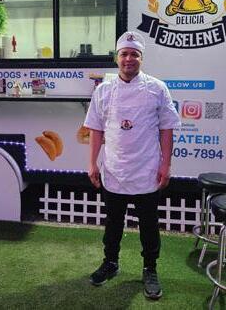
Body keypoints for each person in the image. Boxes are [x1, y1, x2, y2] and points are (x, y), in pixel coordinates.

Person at [84, 31, 180, 300]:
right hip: (114, 170)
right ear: (117, 58)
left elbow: (167, 129)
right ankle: (110, 262)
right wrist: (92, 163)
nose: (129, 59)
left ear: (141, 58)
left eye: (134, 54)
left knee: (149, 224)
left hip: (146, 170)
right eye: (124, 54)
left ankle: (150, 269)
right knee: (113, 223)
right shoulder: (103, 90)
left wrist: (166, 165)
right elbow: (95, 129)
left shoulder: (157, 88)